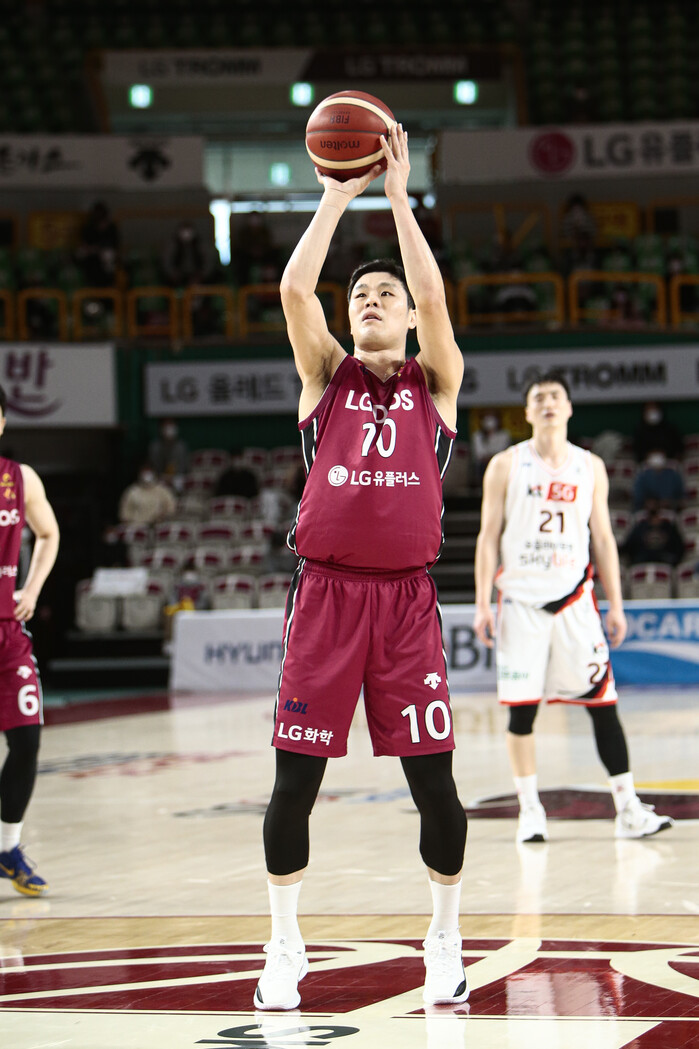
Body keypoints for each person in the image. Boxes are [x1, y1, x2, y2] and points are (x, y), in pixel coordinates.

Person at [255, 124, 468, 1012]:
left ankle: (444, 936)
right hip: (326, 599)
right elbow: (292, 287)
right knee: (293, 782)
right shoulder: (325, 375)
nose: (374, 299)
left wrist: (397, 196)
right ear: (347, 318)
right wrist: (335, 194)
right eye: (362, 294)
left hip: (406, 604)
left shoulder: (437, 381)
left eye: (387, 293)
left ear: (410, 316)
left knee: (435, 782)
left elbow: (433, 290)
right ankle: (284, 945)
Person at [473, 371, 673, 845]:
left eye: (555, 396)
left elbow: (602, 537)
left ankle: (628, 809)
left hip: (575, 602)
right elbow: (487, 537)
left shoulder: (590, 466)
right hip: (520, 603)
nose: (547, 402)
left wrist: (616, 604)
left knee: (603, 706)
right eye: (538, 397)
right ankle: (530, 811)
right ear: (527, 412)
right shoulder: (505, 464)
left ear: (568, 408)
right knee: (522, 714)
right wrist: (482, 603)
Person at [0, 384, 60, 896]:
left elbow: (49, 533)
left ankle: (8, 847)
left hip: (9, 632)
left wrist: (32, 588)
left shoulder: (20, 479)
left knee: (27, 741)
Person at [621, 501, 685, 567]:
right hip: (642, 561)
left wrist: (674, 561)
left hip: (665, 561)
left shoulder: (669, 528)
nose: (654, 519)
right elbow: (629, 546)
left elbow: (679, 547)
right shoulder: (640, 528)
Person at [75, 200, 121, 287]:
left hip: (105, 256)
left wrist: (100, 249)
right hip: (91, 256)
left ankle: (109, 282)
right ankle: (84, 280)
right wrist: (94, 249)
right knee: (80, 253)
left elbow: (115, 246)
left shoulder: (112, 228)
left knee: (108, 254)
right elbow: (84, 245)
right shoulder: (88, 227)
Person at [147, 419, 190, 493]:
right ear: (161, 429)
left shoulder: (181, 446)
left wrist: (172, 478)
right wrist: (164, 477)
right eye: (166, 427)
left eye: (171, 426)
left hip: (177, 478)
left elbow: (184, 467)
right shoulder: (155, 447)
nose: (169, 430)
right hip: (160, 477)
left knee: (181, 483)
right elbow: (154, 467)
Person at [471, 409, 512, 484]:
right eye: (486, 418)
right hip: (482, 466)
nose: (489, 421)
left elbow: (501, 451)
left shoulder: (504, 435)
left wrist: (492, 457)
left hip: (500, 465)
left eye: (492, 418)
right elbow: (480, 454)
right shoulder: (477, 436)